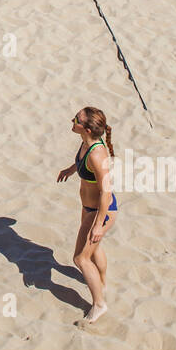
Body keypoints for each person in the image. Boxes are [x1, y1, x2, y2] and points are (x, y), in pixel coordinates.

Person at [56, 107, 118, 324]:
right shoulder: (86, 143)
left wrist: (99, 225)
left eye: (76, 119)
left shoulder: (97, 153)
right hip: (89, 209)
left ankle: (99, 304)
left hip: (102, 212)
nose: (72, 120)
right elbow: (83, 163)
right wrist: (71, 169)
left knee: (80, 258)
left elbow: (106, 191)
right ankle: (101, 282)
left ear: (88, 128)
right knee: (94, 250)